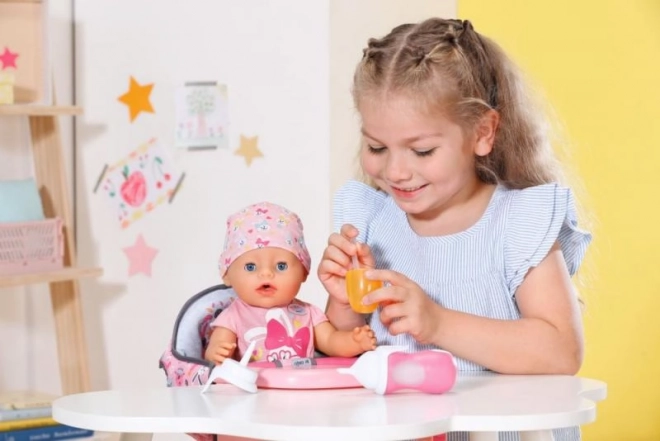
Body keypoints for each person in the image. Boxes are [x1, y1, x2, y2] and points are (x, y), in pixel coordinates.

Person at [318, 18, 591, 441]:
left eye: (422, 150)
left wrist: (438, 323)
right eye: (376, 147)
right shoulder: (370, 217)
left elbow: (561, 351)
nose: (395, 171)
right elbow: (345, 349)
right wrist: (344, 305)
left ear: (482, 132)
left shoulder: (518, 221)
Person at [204, 201, 376, 365]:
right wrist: (217, 353)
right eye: (250, 267)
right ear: (226, 274)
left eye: (281, 266)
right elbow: (216, 349)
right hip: (253, 392)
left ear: (303, 272)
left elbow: (331, 342)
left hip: (299, 390)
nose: (266, 273)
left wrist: (354, 341)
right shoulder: (233, 316)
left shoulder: (308, 314)